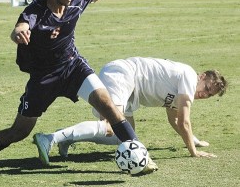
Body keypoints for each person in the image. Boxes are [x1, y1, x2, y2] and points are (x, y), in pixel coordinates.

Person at [0, 0, 147, 173]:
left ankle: (140, 155)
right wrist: (18, 34)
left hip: (73, 66)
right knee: (19, 131)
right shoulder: (37, 9)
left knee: (108, 105)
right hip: (43, 78)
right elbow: (20, 26)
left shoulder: (76, 0)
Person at [34, 57, 227, 165]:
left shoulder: (183, 90)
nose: (204, 93)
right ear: (201, 76)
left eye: (209, 95)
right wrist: (193, 152)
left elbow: (176, 121)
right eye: (207, 87)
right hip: (124, 75)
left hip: (131, 87)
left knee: (122, 138)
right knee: (110, 126)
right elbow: (184, 121)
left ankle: (67, 136)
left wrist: (195, 141)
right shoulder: (189, 77)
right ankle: (49, 138)